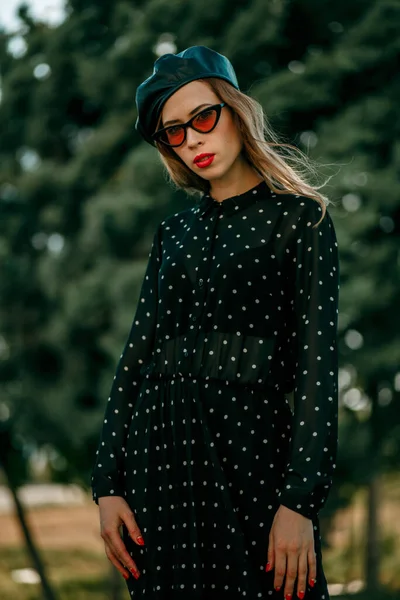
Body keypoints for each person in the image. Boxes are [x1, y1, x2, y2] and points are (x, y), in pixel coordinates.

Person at [90, 45, 340, 600]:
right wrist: (106, 485)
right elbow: (136, 357)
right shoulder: (171, 235)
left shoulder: (301, 220)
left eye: (203, 117)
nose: (193, 139)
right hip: (159, 466)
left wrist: (300, 502)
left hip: (251, 462)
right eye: (173, 132)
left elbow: (318, 371)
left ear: (235, 111)